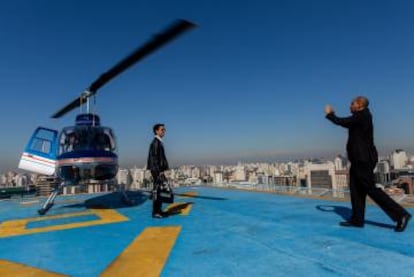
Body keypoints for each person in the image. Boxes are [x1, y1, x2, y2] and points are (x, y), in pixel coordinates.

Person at [325, 96, 411, 232]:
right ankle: (357, 220)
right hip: (359, 159)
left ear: (359, 105)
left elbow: (341, 121)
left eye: (352, 103)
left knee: (370, 188)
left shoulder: (362, 116)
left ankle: (401, 215)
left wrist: (330, 114)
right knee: (355, 189)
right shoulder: (361, 116)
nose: (350, 106)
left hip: (363, 159)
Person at [147, 123, 169, 218]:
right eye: (162, 129)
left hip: (158, 170)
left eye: (164, 130)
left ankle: (158, 210)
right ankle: (156, 212)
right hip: (157, 170)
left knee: (160, 191)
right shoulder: (156, 142)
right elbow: (154, 158)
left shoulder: (158, 142)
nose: (164, 131)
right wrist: (159, 171)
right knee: (158, 191)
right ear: (156, 131)